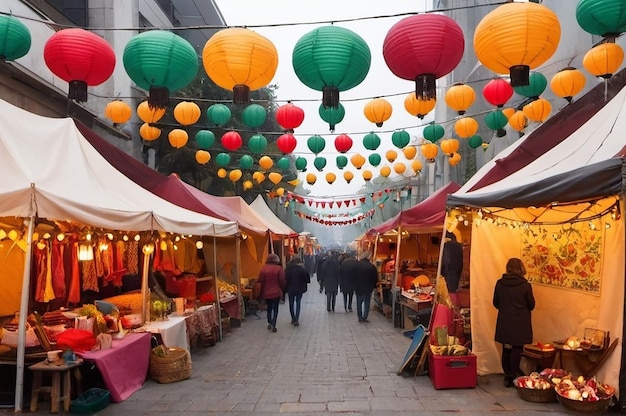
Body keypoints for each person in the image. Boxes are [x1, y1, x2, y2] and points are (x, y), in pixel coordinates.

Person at [493, 257, 535, 388]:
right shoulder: (525, 286)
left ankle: (507, 376)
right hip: (520, 322)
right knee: (517, 348)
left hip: (505, 320)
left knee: (506, 348)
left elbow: (495, 302)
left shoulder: (500, 283)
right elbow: (531, 304)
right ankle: (514, 374)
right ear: (521, 268)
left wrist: (506, 309)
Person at [257, 253, 285, 333]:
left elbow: (260, 280)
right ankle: (274, 323)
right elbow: (282, 281)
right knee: (275, 308)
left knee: (269, 308)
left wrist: (261, 292)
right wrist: (282, 289)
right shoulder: (279, 269)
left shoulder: (263, 269)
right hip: (276, 292)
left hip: (266, 292)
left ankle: (269, 321)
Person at [284, 257, 310, 326]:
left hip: (290, 289)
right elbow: (308, 279)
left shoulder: (288, 269)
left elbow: (285, 278)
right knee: (298, 303)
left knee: (291, 303)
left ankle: (293, 317)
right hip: (300, 289)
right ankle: (297, 319)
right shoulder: (302, 269)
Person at [354, 251, 378, 322]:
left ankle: (360, 317)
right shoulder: (372, 267)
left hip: (358, 287)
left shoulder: (356, 265)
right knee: (367, 303)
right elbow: (375, 278)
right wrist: (373, 286)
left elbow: (353, 276)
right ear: (368, 257)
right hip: (368, 288)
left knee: (359, 303)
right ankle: (365, 317)